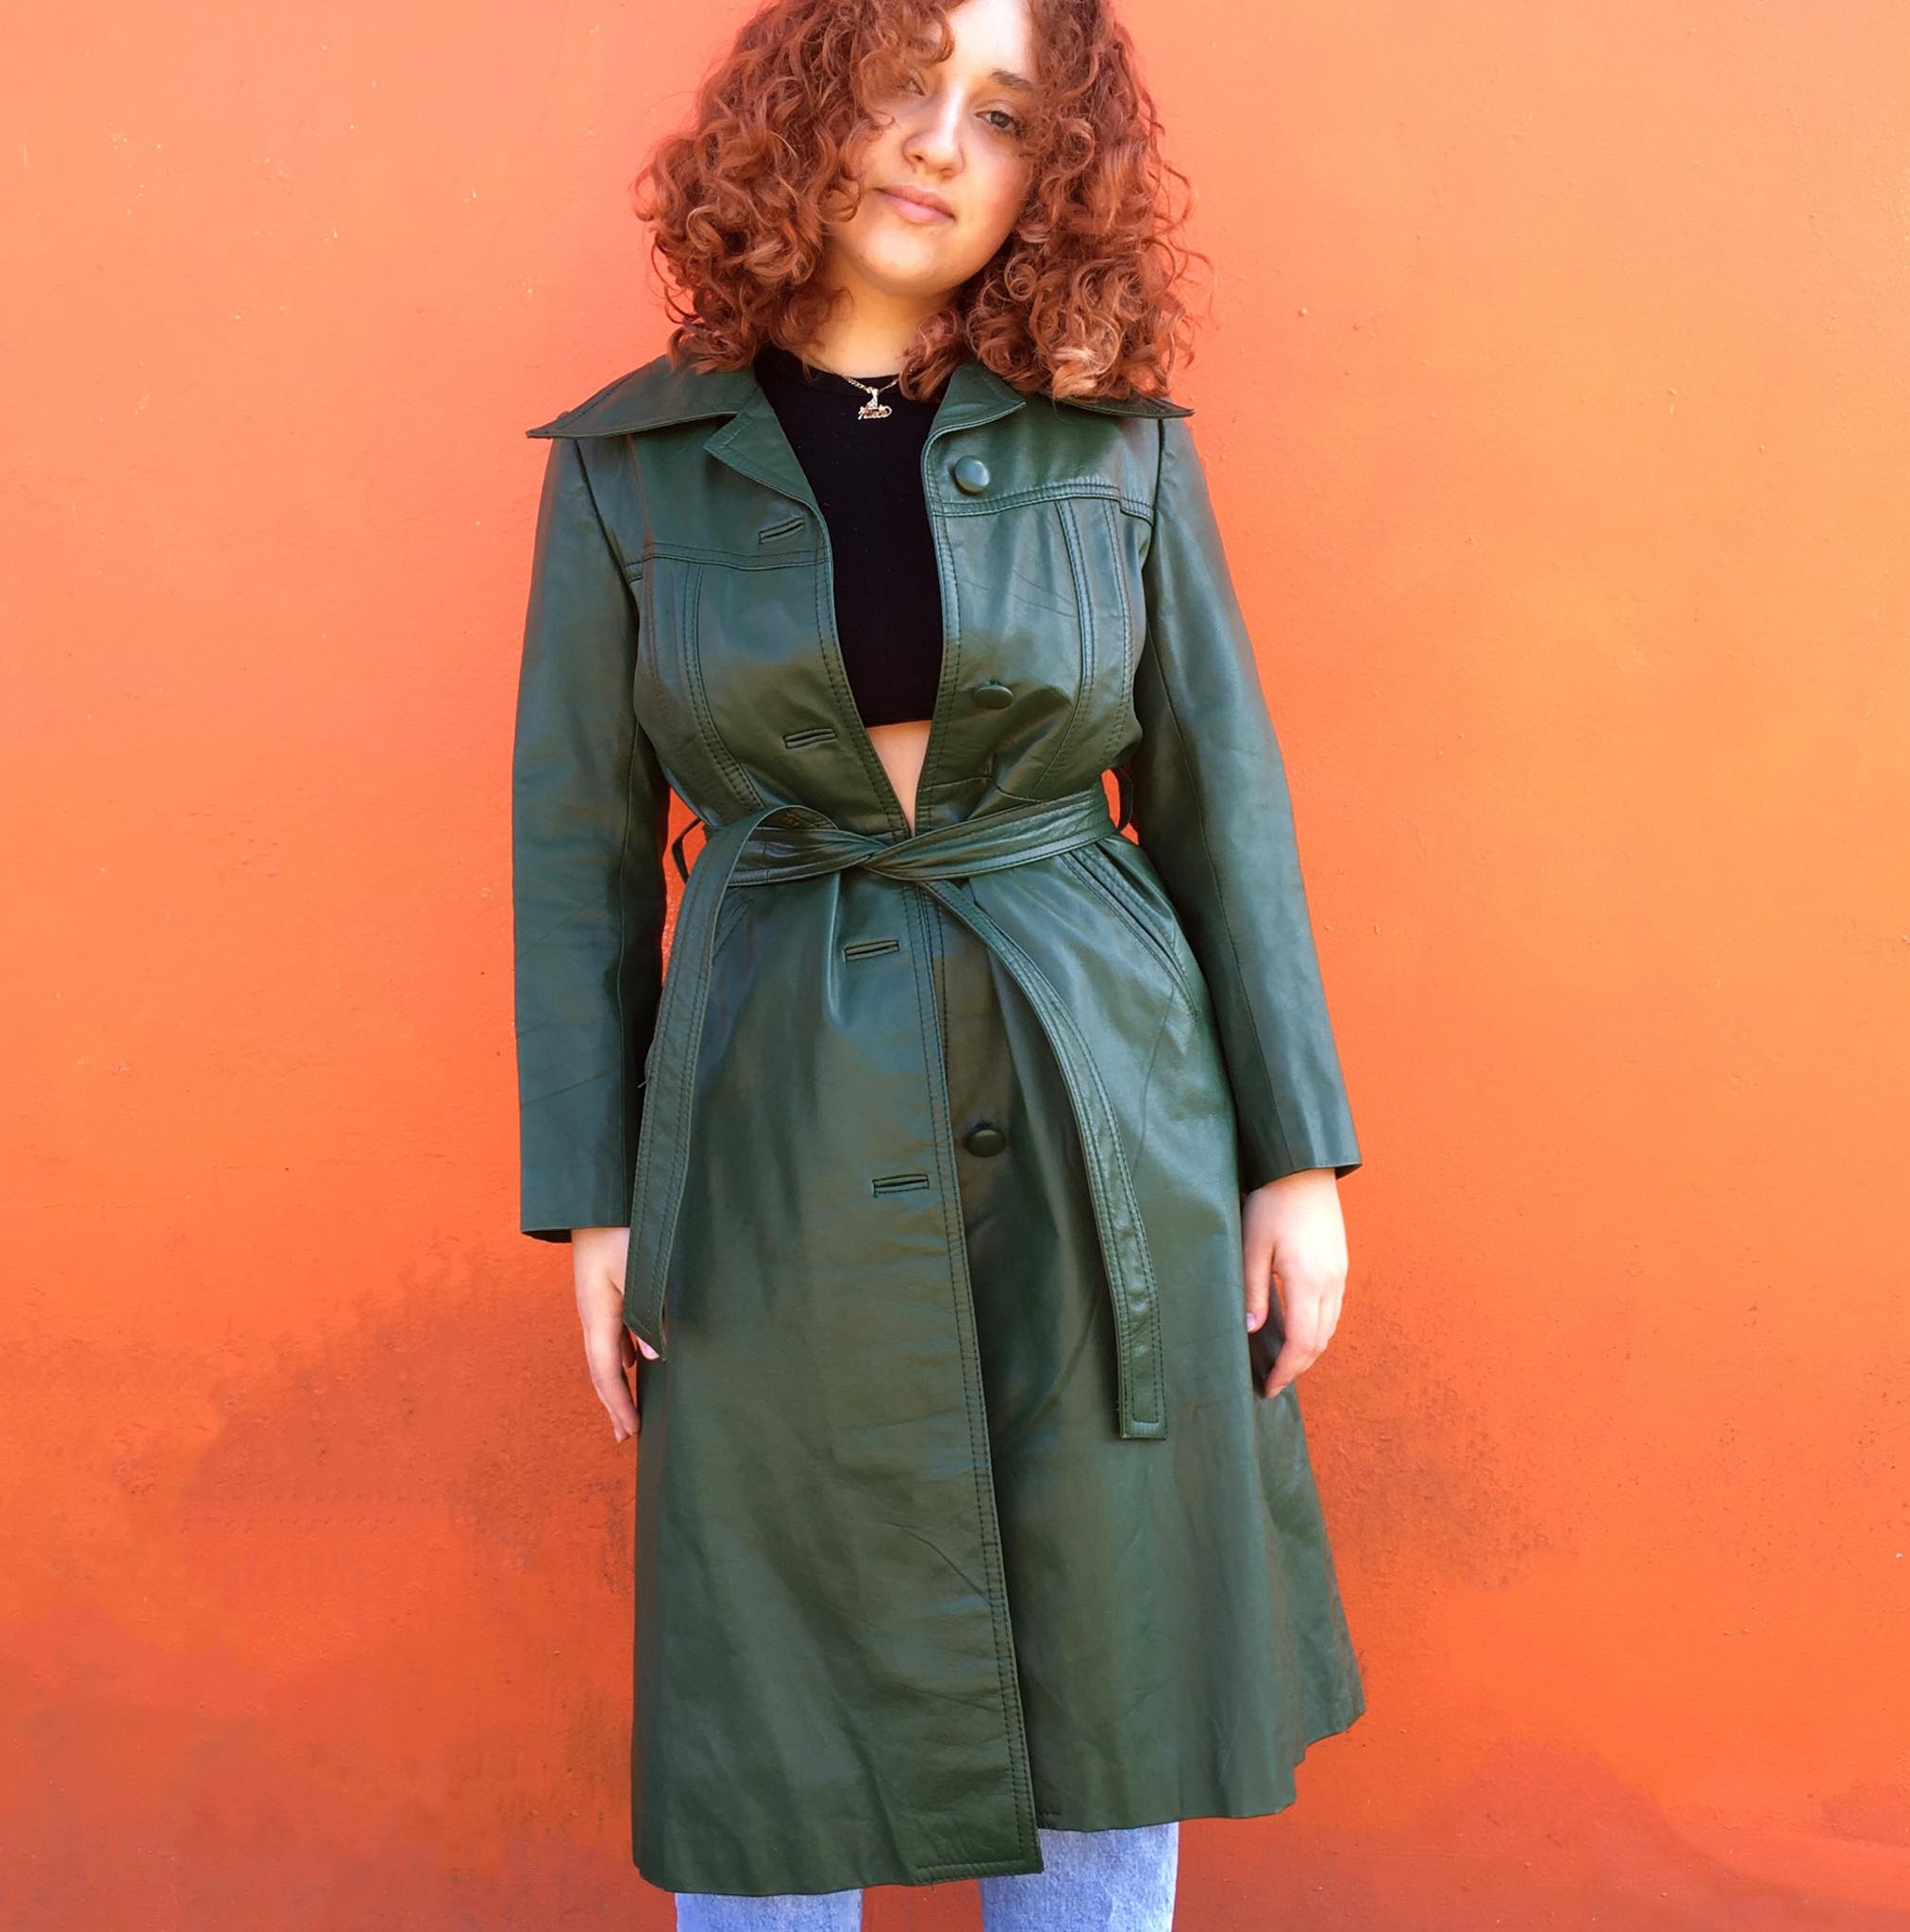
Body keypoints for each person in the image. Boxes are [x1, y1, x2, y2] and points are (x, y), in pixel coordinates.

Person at [510, 0, 1367, 1923]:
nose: (938, 144)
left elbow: (1221, 799)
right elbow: (574, 859)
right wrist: (593, 1201)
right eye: (905, 82)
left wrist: (1292, 1158)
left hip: (1101, 1112)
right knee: (770, 1672)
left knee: (1102, 1640)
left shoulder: (1117, 446)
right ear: (803, 106)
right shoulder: (628, 472)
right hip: (765, 1120)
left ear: (1047, 180)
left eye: (1001, 115)